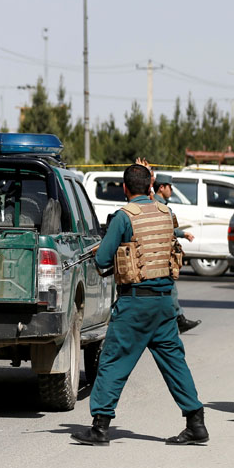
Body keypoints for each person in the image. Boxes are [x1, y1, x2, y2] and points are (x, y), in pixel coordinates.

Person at [71, 163, 208, 446]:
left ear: (124, 188)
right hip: (164, 305)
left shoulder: (123, 217)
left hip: (135, 304)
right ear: (150, 187)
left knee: (112, 361)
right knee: (174, 363)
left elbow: (102, 261)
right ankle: (196, 421)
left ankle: (99, 428)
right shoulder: (166, 213)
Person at [153, 173, 202, 334]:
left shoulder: (160, 204)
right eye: (169, 187)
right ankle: (177, 320)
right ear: (161, 187)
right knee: (168, 287)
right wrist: (182, 234)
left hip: (159, 254)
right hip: (158, 255)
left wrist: (182, 234)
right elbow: (167, 228)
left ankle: (174, 320)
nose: (171, 190)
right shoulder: (159, 206)